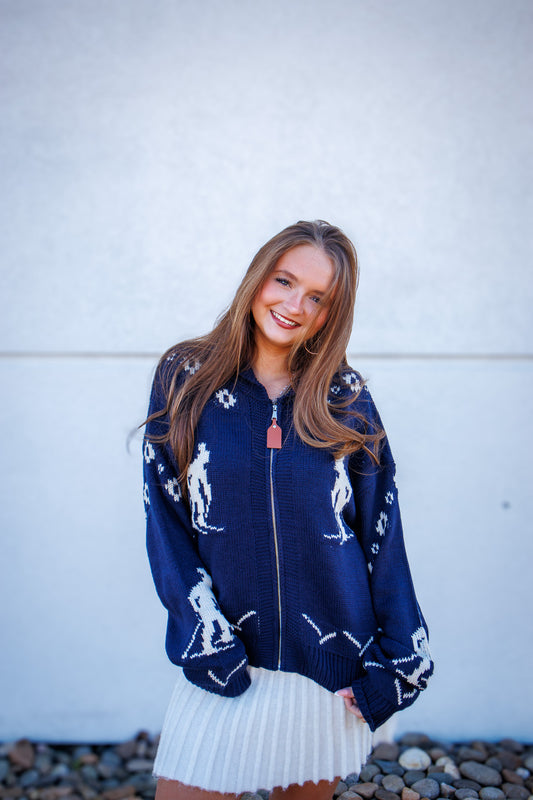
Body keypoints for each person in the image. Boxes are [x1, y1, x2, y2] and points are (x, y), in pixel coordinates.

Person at [142, 220, 433, 800]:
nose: (294, 305)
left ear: (333, 313)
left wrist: (402, 656)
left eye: (318, 298)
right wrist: (207, 640)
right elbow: (165, 520)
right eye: (284, 280)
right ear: (259, 277)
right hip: (227, 662)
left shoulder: (345, 398)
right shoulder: (187, 376)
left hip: (329, 668)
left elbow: (382, 532)